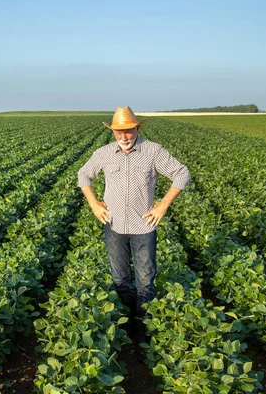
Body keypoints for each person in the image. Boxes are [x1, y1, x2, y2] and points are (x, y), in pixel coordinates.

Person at [77, 106, 190, 340]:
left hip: (143, 227)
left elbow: (182, 174)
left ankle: (143, 332)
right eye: (119, 132)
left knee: (146, 281)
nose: (124, 137)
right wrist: (94, 203)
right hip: (114, 225)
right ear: (113, 132)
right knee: (120, 279)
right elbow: (83, 175)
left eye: (128, 131)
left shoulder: (152, 151)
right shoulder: (104, 153)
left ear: (137, 128)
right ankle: (126, 323)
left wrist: (163, 204)